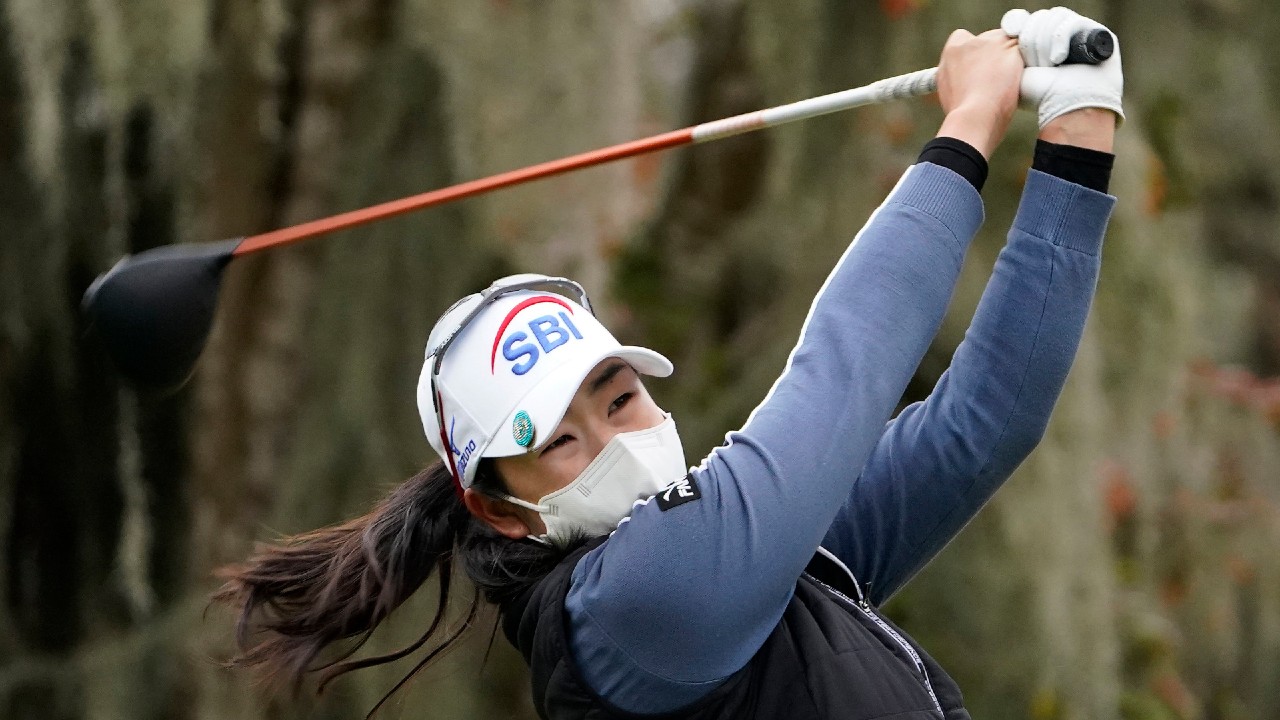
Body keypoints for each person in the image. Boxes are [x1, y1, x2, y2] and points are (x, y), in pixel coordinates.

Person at [213, 7, 1123, 719]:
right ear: (500, 509)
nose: (616, 441)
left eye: (620, 400)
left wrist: (1079, 128)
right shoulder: (635, 608)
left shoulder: (763, 566)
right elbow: (843, 371)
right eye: (562, 440)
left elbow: (984, 421)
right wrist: (967, 126)